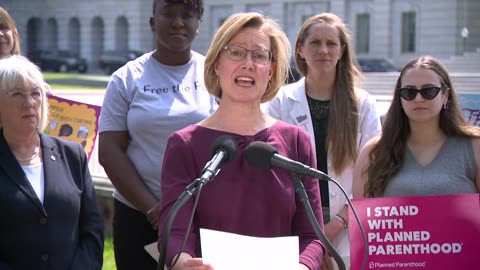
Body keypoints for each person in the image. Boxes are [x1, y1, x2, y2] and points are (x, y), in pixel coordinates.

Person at [158, 12, 325, 270]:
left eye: (259, 56)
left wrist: (303, 266)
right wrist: (182, 262)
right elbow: (176, 232)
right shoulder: (185, 144)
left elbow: (312, 236)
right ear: (216, 64)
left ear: (271, 71)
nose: (248, 64)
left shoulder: (296, 142)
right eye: (236, 53)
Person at [98, 0, 217, 269]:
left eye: (187, 15)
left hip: (202, 215)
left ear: (198, 25)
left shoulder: (215, 75)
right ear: (152, 22)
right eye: (169, 14)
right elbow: (110, 151)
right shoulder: (126, 78)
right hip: (138, 214)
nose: (178, 22)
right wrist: (154, 210)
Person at [265, 12, 381, 269]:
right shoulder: (279, 103)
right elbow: (272, 175)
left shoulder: (363, 105)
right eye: (315, 42)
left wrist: (336, 225)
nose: (324, 50)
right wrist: (312, 233)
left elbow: (375, 175)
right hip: (294, 227)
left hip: (350, 227)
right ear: (300, 49)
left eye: (331, 44)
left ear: (342, 51)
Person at [0, 55, 104, 270]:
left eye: (35, 94)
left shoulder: (72, 154)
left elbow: (92, 229)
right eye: (17, 93)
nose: (29, 103)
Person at [353, 55, 480, 199]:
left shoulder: (475, 147)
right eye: (409, 92)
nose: (418, 99)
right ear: (399, 99)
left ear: (446, 95)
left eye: (429, 91)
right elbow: (361, 216)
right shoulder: (374, 151)